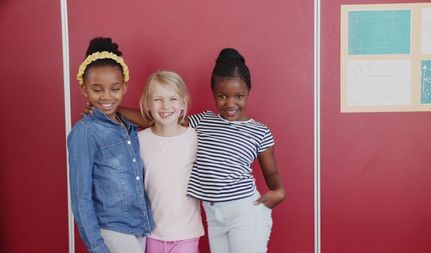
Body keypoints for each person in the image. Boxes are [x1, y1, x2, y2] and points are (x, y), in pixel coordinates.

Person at [116, 48, 286, 253]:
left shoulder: (259, 131)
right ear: (214, 93)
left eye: (239, 96)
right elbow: (161, 120)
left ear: (248, 92)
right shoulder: (203, 121)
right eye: (222, 96)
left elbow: (272, 172)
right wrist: (112, 109)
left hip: (245, 211)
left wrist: (279, 192)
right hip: (214, 215)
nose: (231, 103)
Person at [68, 37, 154, 253]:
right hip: (112, 229)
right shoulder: (85, 132)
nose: (106, 96)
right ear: (84, 89)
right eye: (97, 90)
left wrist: (115, 108)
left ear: (124, 86)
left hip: (140, 226)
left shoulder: (129, 126)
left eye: (114, 88)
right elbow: (81, 198)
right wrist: (97, 247)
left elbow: (154, 120)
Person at [138, 71, 204, 253]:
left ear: (183, 103)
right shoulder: (139, 141)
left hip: (186, 234)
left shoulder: (195, 138)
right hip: (151, 234)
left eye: (173, 99)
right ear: (147, 104)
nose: (165, 105)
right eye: (158, 99)